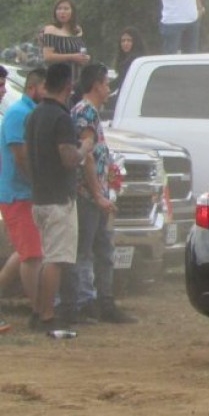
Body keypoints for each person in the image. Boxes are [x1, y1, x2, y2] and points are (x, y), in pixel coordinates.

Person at [26, 63, 93, 335]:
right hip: (58, 199)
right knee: (56, 259)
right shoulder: (61, 118)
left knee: (47, 257)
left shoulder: (34, 115)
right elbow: (68, 158)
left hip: (39, 196)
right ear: (68, 85)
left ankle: (37, 311)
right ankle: (46, 315)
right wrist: (86, 145)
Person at [69, 64, 135, 324]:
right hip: (88, 194)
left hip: (95, 191)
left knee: (101, 248)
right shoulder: (85, 111)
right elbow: (87, 159)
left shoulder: (89, 111)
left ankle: (102, 301)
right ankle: (88, 301)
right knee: (88, 249)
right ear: (96, 84)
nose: (108, 88)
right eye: (106, 83)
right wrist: (97, 193)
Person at [0, 67, 47, 333]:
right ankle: (39, 312)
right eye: (0, 85)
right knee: (31, 256)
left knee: (26, 252)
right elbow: (19, 156)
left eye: (5, 84)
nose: (4, 90)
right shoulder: (19, 114)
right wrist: (38, 184)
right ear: (34, 88)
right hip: (17, 194)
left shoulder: (20, 112)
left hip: (17, 193)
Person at [39, 0, 90, 83]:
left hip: (77, 79)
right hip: (59, 79)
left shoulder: (77, 30)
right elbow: (47, 56)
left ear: (72, 12)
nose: (62, 12)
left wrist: (85, 58)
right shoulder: (51, 29)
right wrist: (73, 57)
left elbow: (81, 51)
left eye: (66, 9)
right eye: (59, 9)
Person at [112, 26, 145, 92]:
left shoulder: (136, 61)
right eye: (123, 41)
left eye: (129, 40)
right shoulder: (122, 60)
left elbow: (120, 81)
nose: (125, 43)